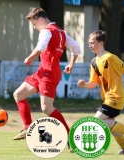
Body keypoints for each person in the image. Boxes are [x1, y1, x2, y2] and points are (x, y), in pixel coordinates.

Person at [13, 8, 81, 152]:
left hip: (49, 73)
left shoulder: (46, 31)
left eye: (34, 24)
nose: (35, 27)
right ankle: (27, 128)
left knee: (46, 108)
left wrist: (29, 57)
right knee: (18, 94)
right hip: (42, 72)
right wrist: (71, 64)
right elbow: (76, 48)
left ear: (41, 20)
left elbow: (41, 47)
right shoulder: (61, 32)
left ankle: (70, 136)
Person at [77, 30, 124, 155]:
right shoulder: (93, 62)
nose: (90, 45)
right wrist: (84, 85)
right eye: (89, 43)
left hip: (116, 96)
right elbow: (93, 83)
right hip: (108, 98)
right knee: (110, 126)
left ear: (101, 43)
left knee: (96, 121)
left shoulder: (110, 57)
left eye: (92, 43)